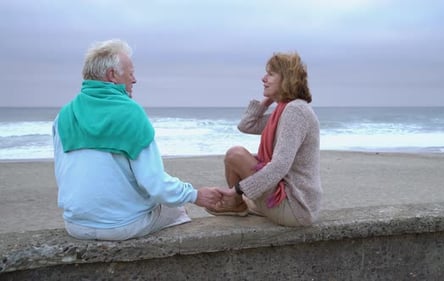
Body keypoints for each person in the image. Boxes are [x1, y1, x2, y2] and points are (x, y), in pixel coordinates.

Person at [52, 39, 221, 240]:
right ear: (112, 75)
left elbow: (64, 174)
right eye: (131, 73)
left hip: (75, 225)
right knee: (177, 210)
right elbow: (155, 185)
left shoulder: (63, 115)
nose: (135, 80)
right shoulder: (130, 113)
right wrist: (196, 195)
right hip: (122, 227)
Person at [206, 52, 323, 226]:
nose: (263, 78)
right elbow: (247, 125)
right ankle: (238, 204)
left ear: (286, 78)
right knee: (234, 156)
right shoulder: (284, 111)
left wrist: (238, 189)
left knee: (235, 154)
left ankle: (236, 203)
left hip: (296, 207)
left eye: (271, 74)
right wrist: (266, 102)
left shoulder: (295, 111)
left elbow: (279, 166)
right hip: (293, 203)